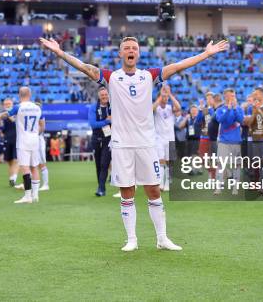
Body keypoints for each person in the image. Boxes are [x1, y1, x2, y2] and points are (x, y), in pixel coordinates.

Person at [40, 35, 228, 252]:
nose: (130, 50)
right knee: (127, 191)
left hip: (146, 143)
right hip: (121, 144)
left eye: (134, 48)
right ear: (120, 53)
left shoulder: (149, 76)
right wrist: (60, 53)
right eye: (126, 48)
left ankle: (162, 238)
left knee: (154, 190)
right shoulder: (111, 77)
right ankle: (131, 239)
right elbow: (86, 68)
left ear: (138, 53)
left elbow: (177, 66)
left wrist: (205, 54)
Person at [0, 87, 45, 204]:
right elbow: (42, 126)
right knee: (34, 167)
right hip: (35, 140)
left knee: (25, 167)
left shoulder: (18, 107)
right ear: (30, 94)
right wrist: (36, 134)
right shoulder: (37, 108)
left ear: (19, 95)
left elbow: (4, 116)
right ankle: (35, 195)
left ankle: (27, 196)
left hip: (23, 140)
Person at [214, 88, 244, 195]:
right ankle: (219, 187)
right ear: (225, 97)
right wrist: (228, 109)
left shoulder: (239, 108)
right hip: (224, 141)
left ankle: (235, 188)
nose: (233, 97)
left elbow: (241, 120)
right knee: (220, 164)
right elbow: (221, 120)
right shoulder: (220, 109)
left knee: (236, 165)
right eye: (231, 95)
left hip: (236, 141)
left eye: (234, 95)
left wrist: (234, 109)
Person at [244, 87, 263, 185]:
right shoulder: (250, 108)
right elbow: (248, 124)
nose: (254, 96)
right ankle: (257, 183)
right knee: (257, 162)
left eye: (256, 94)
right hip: (255, 138)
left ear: (262, 95)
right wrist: (254, 113)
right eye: (253, 94)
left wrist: (259, 111)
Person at [152, 85, 181, 192]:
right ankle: (160, 183)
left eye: (166, 97)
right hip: (159, 138)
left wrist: (170, 94)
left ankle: (167, 183)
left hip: (170, 138)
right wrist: (161, 95)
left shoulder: (170, 108)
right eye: (164, 97)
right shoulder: (156, 108)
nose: (165, 98)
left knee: (169, 162)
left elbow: (178, 107)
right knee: (161, 160)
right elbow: (152, 108)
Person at [89, 87, 111, 196]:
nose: (104, 97)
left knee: (104, 163)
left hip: (109, 138)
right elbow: (93, 124)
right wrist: (107, 121)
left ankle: (101, 189)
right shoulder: (93, 108)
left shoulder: (113, 107)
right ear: (99, 96)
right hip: (96, 138)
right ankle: (101, 187)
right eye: (102, 95)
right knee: (98, 164)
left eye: (106, 94)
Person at [0, 98, 19, 187]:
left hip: (17, 139)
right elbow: (1, 128)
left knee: (16, 159)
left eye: (9, 103)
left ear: (12, 104)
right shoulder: (3, 115)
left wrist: (10, 115)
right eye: (5, 104)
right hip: (7, 139)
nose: (7, 105)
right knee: (9, 161)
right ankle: (11, 179)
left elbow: (15, 122)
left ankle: (14, 177)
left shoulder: (16, 113)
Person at [36, 101, 49, 191]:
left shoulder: (41, 115)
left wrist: (35, 135)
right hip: (32, 140)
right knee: (31, 164)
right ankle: (28, 183)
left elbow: (42, 128)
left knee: (41, 163)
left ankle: (45, 184)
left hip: (38, 140)